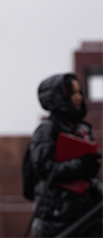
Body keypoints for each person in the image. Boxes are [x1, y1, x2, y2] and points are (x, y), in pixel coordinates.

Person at [27, 73, 102, 237]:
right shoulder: (48, 128)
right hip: (57, 214)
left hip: (86, 212)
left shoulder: (82, 129)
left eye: (80, 92)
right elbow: (43, 168)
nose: (78, 97)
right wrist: (80, 166)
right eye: (72, 93)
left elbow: (89, 173)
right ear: (59, 96)